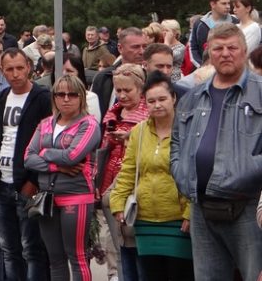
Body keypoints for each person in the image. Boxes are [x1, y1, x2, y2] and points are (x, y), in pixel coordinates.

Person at [170, 23, 262, 281]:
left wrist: (241, 173)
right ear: (209, 53)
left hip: (249, 207)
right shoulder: (193, 96)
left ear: (244, 51)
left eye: (232, 48)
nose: (225, 54)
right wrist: (181, 172)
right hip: (201, 207)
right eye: (218, 48)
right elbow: (176, 142)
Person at [109, 71, 192, 281]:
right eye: (151, 101)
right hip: (145, 219)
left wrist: (191, 211)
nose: (157, 105)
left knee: (178, 274)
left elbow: (194, 173)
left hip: (177, 219)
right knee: (150, 275)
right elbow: (128, 169)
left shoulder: (187, 129)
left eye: (162, 99)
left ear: (173, 98)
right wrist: (117, 201)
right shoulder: (138, 131)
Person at [0, 48, 51, 281]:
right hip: (1, 182)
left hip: (27, 184)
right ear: (3, 71)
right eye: (9, 69)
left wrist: (33, 180)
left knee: (32, 248)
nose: (15, 73)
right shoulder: (1, 98)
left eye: (20, 68)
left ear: (29, 67)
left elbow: (47, 143)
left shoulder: (42, 98)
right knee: (9, 249)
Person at [23, 75, 102, 281]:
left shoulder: (88, 124)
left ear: (81, 97)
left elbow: (72, 156)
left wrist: (45, 152)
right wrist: (54, 165)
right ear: (54, 97)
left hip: (76, 195)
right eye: (60, 94)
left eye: (72, 94)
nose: (66, 99)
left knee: (77, 256)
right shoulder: (46, 123)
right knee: (55, 259)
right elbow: (27, 158)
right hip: (47, 197)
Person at [99, 64, 149, 281]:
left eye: (127, 90)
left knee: (134, 240)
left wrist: (129, 138)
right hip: (112, 178)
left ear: (140, 89)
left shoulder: (147, 115)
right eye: (118, 91)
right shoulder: (113, 113)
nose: (122, 95)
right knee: (115, 239)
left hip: (136, 181)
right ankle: (115, 274)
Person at [60, 56, 101, 121]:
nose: (64, 74)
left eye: (69, 71)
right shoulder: (47, 96)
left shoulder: (90, 98)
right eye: (60, 71)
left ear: (79, 74)